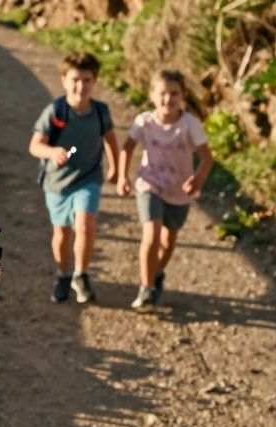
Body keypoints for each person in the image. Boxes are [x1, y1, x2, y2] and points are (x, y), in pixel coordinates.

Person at [117, 69, 213, 310]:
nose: (167, 99)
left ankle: (156, 273)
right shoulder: (144, 121)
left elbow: (207, 158)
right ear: (152, 95)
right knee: (151, 232)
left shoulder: (189, 124)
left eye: (174, 94)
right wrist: (122, 176)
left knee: (168, 242)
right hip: (150, 182)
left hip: (179, 189)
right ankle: (146, 287)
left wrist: (198, 179)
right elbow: (127, 147)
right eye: (162, 94)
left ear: (182, 96)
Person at [28, 51, 117, 304]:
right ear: (64, 80)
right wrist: (52, 151)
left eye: (87, 80)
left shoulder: (100, 111)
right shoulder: (55, 111)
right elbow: (34, 146)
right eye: (75, 80)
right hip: (57, 183)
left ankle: (81, 273)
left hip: (88, 178)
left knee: (85, 222)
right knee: (62, 234)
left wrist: (117, 169)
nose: (81, 86)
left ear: (95, 81)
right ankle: (63, 274)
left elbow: (110, 139)